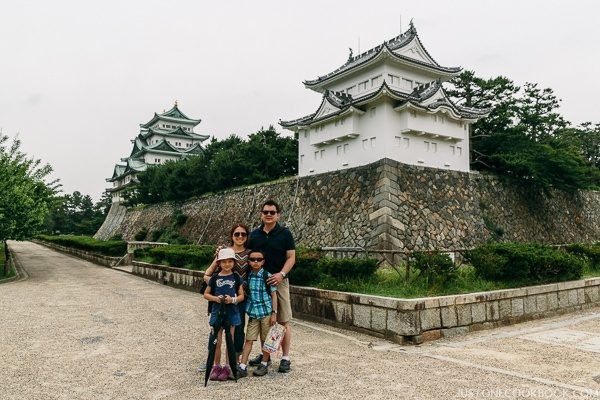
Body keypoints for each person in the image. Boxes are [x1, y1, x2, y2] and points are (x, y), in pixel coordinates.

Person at [247, 199, 295, 373]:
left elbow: (291, 257)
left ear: (278, 215)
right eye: (265, 212)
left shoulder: (285, 234)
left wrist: (281, 274)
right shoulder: (254, 235)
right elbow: (245, 255)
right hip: (258, 283)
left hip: (279, 281)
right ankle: (264, 354)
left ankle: (285, 357)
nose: (268, 214)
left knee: (282, 320)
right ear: (261, 214)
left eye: (272, 212)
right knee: (263, 321)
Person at [201, 224, 251, 372]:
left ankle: (233, 360)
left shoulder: (250, 253)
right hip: (220, 299)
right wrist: (209, 280)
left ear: (247, 237)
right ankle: (212, 361)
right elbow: (209, 272)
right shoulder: (223, 252)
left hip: (239, 298)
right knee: (216, 330)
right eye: (237, 234)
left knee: (238, 329)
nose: (240, 237)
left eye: (243, 234)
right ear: (232, 235)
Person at [203, 248, 245, 381]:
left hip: (232, 311)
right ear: (219, 263)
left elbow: (241, 296)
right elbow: (206, 294)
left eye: (230, 261)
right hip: (217, 311)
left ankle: (228, 366)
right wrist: (216, 298)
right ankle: (216, 366)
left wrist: (232, 299)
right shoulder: (214, 277)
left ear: (234, 262)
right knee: (217, 339)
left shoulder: (237, 277)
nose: (227, 264)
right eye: (224, 262)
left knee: (230, 340)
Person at [237, 249, 277, 378]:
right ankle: (242, 366)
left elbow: (273, 295)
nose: (255, 262)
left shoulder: (267, 275)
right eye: (253, 259)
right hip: (254, 313)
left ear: (263, 262)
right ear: (248, 262)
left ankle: (264, 363)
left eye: (258, 259)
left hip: (265, 312)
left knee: (265, 340)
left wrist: (274, 313)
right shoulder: (248, 275)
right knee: (249, 339)